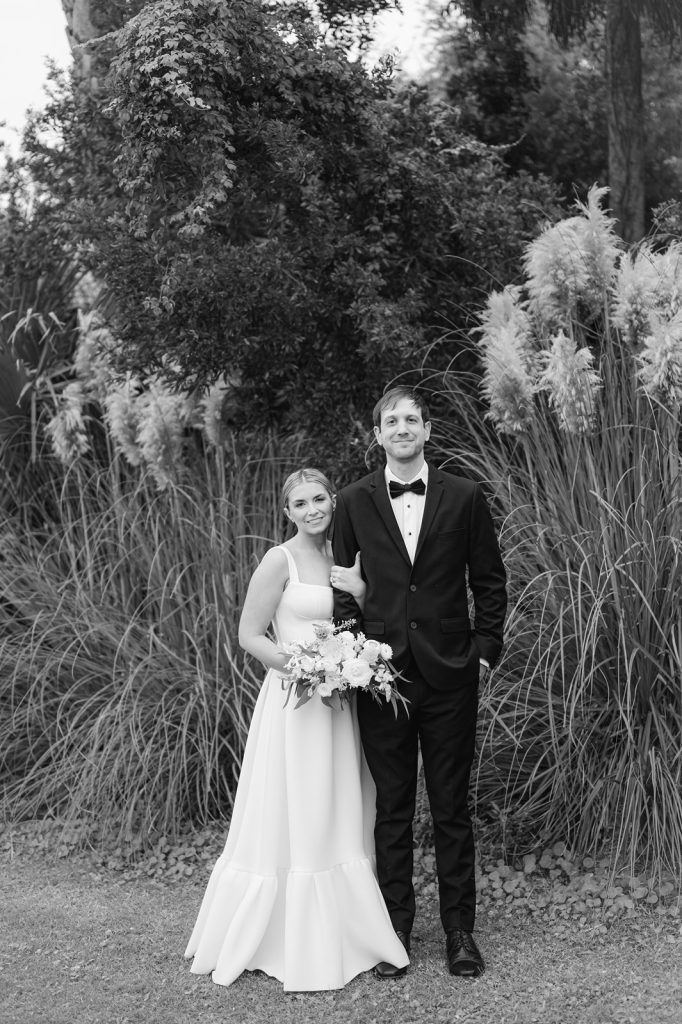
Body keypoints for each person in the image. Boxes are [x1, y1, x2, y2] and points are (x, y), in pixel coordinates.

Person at [184, 468, 409, 991]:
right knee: (298, 804)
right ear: (287, 511)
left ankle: (350, 927)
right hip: (295, 702)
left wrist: (349, 660)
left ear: (333, 501)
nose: (313, 509)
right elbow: (248, 635)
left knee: (338, 804)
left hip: (339, 705)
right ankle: (285, 934)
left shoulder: (340, 556)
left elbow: (360, 620)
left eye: (320, 499)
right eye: (301, 503)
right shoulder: (278, 559)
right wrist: (303, 666)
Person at [331, 387, 507, 979]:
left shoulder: (463, 497)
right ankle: (394, 928)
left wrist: (484, 650)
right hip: (381, 676)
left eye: (411, 419)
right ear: (376, 434)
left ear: (428, 430)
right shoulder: (353, 501)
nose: (401, 428)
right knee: (393, 808)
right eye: (390, 421)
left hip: (451, 671)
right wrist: (354, 654)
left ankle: (460, 931)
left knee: (452, 806)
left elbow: (489, 579)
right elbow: (343, 588)